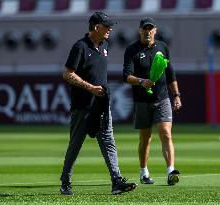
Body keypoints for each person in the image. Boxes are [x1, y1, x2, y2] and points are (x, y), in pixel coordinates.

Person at [60, 11, 137, 195]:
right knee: (76, 144)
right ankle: (65, 182)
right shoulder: (80, 46)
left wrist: (99, 93)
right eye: (107, 26)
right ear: (96, 27)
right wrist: (90, 88)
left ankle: (116, 181)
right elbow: (67, 74)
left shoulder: (105, 46)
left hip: (101, 104)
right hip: (83, 106)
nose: (110, 29)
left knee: (109, 141)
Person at [123, 17, 181, 185]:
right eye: (144, 28)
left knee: (166, 133)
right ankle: (144, 172)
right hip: (142, 100)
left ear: (155, 30)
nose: (147, 31)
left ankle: (171, 171)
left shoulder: (162, 47)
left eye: (150, 28)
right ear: (140, 30)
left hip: (162, 98)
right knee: (145, 138)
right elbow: (126, 76)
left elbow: (170, 73)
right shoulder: (132, 50)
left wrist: (176, 95)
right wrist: (141, 81)